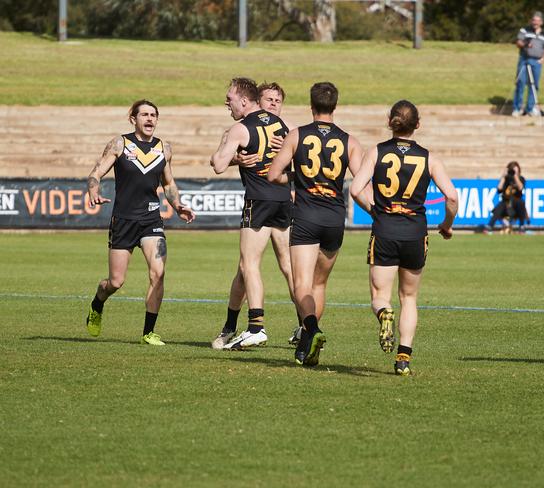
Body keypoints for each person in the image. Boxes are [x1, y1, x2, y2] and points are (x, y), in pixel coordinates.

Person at [350, 100, 458, 376]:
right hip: (415, 232)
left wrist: (374, 209)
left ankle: (384, 314)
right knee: (409, 297)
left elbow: (355, 189)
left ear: (390, 121)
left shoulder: (377, 152)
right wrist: (446, 225)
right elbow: (452, 197)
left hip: (385, 229)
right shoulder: (428, 157)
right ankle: (403, 359)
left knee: (380, 296)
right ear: (417, 125)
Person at [268, 81, 364, 366]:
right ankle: (310, 350)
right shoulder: (350, 141)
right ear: (335, 106)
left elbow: (274, 175)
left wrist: (298, 177)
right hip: (335, 217)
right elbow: (360, 182)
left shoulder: (297, 135)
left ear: (311, 106)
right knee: (320, 284)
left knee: (302, 285)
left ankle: (311, 330)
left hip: (307, 216)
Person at [85, 100, 195, 345]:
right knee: (116, 281)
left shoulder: (164, 148)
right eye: (144, 114)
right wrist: (93, 189)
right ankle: (97, 302)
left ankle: (148, 332)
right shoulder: (119, 144)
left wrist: (178, 206)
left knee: (158, 273)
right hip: (123, 220)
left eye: (153, 115)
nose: (150, 119)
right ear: (132, 118)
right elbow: (95, 173)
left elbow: (168, 183)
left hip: (151, 220)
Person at [210, 81, 302, 350]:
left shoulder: (240, 128)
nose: (227, 103)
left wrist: (228, 147)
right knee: (285, 267)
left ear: (244, 100)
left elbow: (216, 164)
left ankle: (255, 327)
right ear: (259, 101)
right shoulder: (285, 128)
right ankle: (305, 325)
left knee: (249, 265)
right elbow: (302, 167)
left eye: (229, 98)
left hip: (259, 201)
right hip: (283, 201)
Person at [512, 12, 544, 117]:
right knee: (520, 83)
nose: (535, 22)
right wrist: (525, 44)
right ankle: (517, 108)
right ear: (531, 21)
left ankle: (530, 108)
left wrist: (543, 59)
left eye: (538, 20)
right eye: (534, 20)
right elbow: (518, 42)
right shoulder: (524, 30)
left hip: (536, 62)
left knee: (534, 85)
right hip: (524, 59)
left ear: (541, 22)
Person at [485, 161, 528, 233]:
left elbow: (521, 188)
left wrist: (515, 176)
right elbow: (499, 189)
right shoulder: (506, 179)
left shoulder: (521, 179)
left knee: (520, 202)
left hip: (516, 205)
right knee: (500, 206)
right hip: (506, 203)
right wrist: (503, 177)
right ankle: (490, 226)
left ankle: (522, 226)